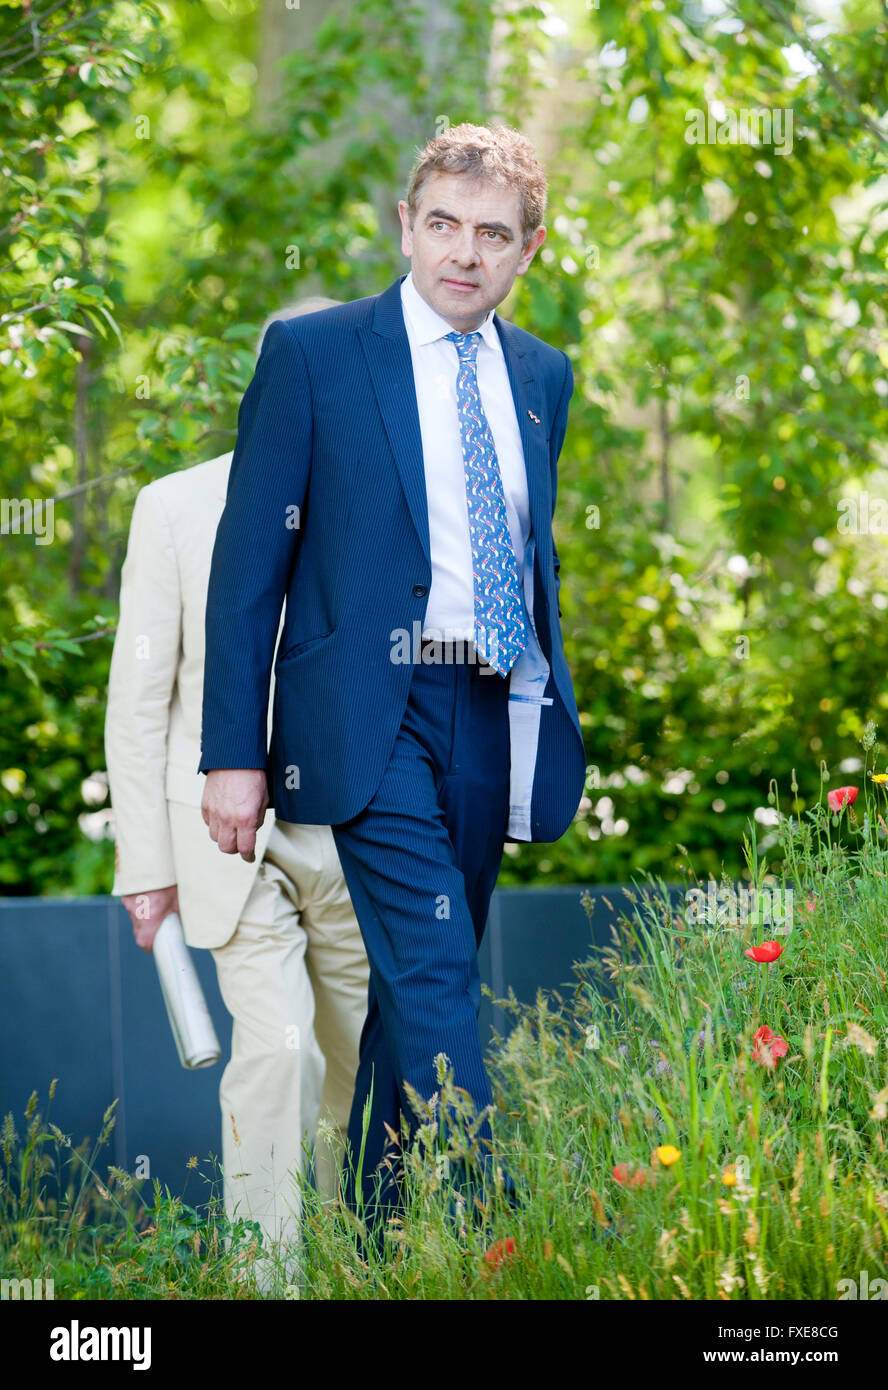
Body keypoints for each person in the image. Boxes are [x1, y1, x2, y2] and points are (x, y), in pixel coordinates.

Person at [199, 124, 586, 1227]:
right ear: (406, 226)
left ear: (531, 250)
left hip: (491, 707)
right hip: (372, 712)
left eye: (494, 234)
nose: (466, 252)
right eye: (445, 225)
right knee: (433, 967)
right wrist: (235, 750)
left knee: (420, 985)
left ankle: (376, 1242)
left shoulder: (543, 377)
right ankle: (488, 1230)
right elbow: (248, 568)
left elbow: (530, 554)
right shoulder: (317, 356)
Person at [104, 296, 369, 1279]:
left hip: (353, 836)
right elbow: (137, 700)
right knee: (281, 1052)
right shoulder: (174, 507)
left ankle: (344, 1264)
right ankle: (270, 1277)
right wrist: (147, 867)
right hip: (223, 840)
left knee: (351, 1074)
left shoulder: (384, 514)